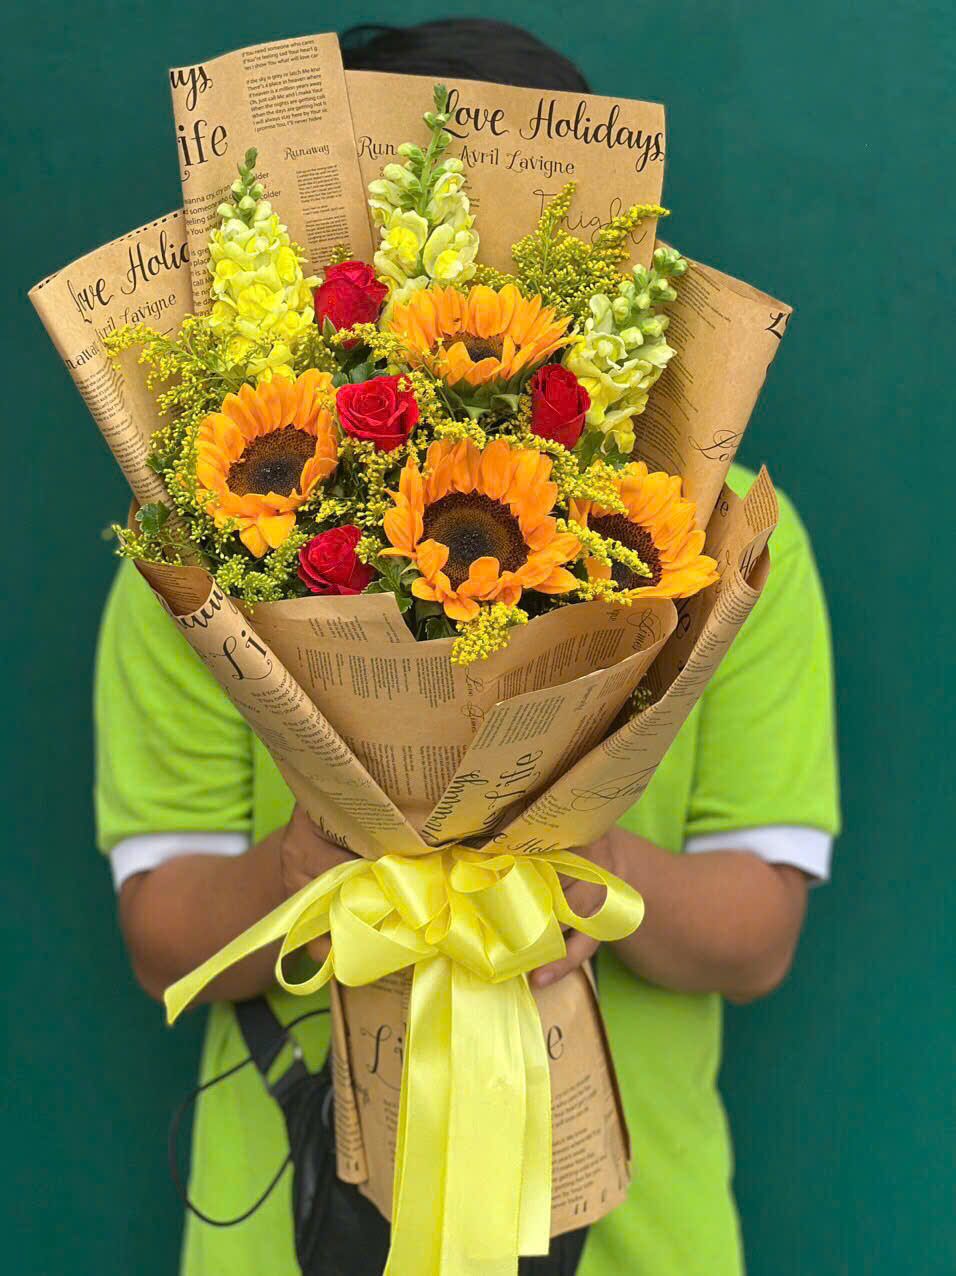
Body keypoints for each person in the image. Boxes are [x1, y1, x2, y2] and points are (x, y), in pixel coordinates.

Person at [94, 19, 840, 1276]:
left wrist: (577, 865)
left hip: (636, 1234)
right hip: (291, 1226)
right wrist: (309, 868)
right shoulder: (204, 537)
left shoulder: (723, 534)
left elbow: (755, 935)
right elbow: (165, 933)